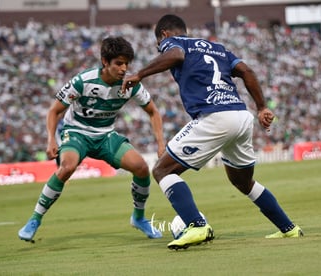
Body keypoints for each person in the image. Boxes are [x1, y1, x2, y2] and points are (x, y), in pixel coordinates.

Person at [123, 14, 303, 250]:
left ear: (165, 35)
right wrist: (261, 107)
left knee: (162, 169)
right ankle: (289, 229)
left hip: (214, 116)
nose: (162, 49)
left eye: (160, 45)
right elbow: (247, 71)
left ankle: (196, 225)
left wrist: (140, 74)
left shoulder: (175, 43)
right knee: (243, 181)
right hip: (241, 116)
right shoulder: (218, 48)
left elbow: (176, 55)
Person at [18, 36, 165, 242]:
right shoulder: (83, 81)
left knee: (141, 167)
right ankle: (35, 219)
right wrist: (51, 139)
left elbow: (153, 112)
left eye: (126, 64)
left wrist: (161, 143)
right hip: (77, 132)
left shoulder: (130, 84)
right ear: (105, 62)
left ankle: (138, 218)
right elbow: (54, 111)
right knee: (67, 167)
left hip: (105, 135)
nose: (123, 69)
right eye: (118, 63)